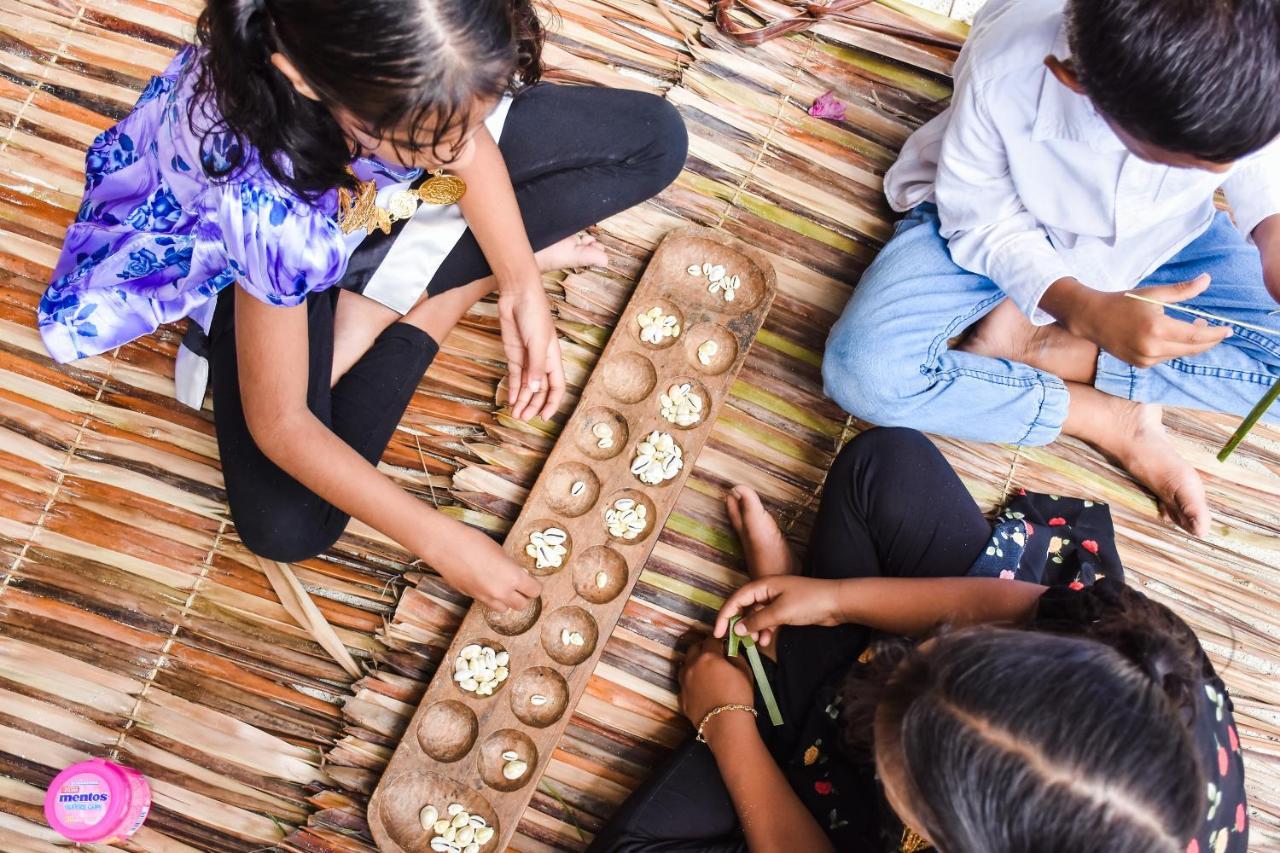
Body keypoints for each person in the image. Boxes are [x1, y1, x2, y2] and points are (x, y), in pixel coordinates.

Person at [37, 0, 687, 610]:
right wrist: (437, 537)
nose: (455, 153)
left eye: (469, 118)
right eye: (423, 139)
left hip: (366, 191)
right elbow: (283, 425)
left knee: (657, 139)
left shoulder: (390, 60)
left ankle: (401, 274)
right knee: (287, 526)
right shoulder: (266, 210)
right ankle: (437, 295)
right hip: (273, 254)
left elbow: (463, 152)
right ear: (311, 79)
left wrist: (519, 281)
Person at [590, 428, 1248, 853]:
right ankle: (789, 684)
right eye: (944, 650)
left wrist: (728, 722)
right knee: (883, 466)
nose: (887, 669)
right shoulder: (1138, 653)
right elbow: (1004, 603)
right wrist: (834, 598)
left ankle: (779, 708)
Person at [822, 0, 1280, 538]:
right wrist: (1081, 306)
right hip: (1000, 227)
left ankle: (1054, 349)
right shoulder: (1009, 64)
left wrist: (1271, 235)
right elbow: (983, 219)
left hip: (1169, 238)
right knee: (866, 374)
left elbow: (1262, 158)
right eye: (1179, 163)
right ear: (1074, 79)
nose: (1214, 173)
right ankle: (1102, 415)